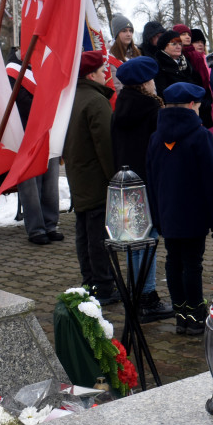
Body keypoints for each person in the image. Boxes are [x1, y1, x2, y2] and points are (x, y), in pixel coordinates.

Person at [147, 82, 213, 336]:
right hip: (194, 213)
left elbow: (151, 178)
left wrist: (156, 215)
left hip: (168, 212)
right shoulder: (200, 135)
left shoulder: (156, 136)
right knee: (193, 263)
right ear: (192, 105)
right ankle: (195, 314)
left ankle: (181, 316)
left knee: (173, 260)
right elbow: (211, 179)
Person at [111, 56, 174, 323]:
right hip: (147, 183)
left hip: (126, 184)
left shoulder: (119, 107)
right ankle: (146, 298)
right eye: (151, 79)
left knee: (134, 243)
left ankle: (135, 297)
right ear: (145, 83)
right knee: (147, 243)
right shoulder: (152, 110)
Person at [63, 50, 116, 304]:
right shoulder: (95, 101)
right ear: (91, 73)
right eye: (102, 70)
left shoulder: (72, 98)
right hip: (95, 178)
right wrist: (114, 179)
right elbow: (106, 145)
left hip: (79, 175)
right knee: (97, 235)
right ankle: (103, 286)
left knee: (84, 232)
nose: (106, 73)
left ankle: (90, 281)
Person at [5, 53, 62, 247]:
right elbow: (21, 102)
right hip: (25, 134)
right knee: (30, 185)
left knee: (50, 182)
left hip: (49, 132)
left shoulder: (46, 65)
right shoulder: (12, 71)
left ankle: (51, 224)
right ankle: (36, 228)